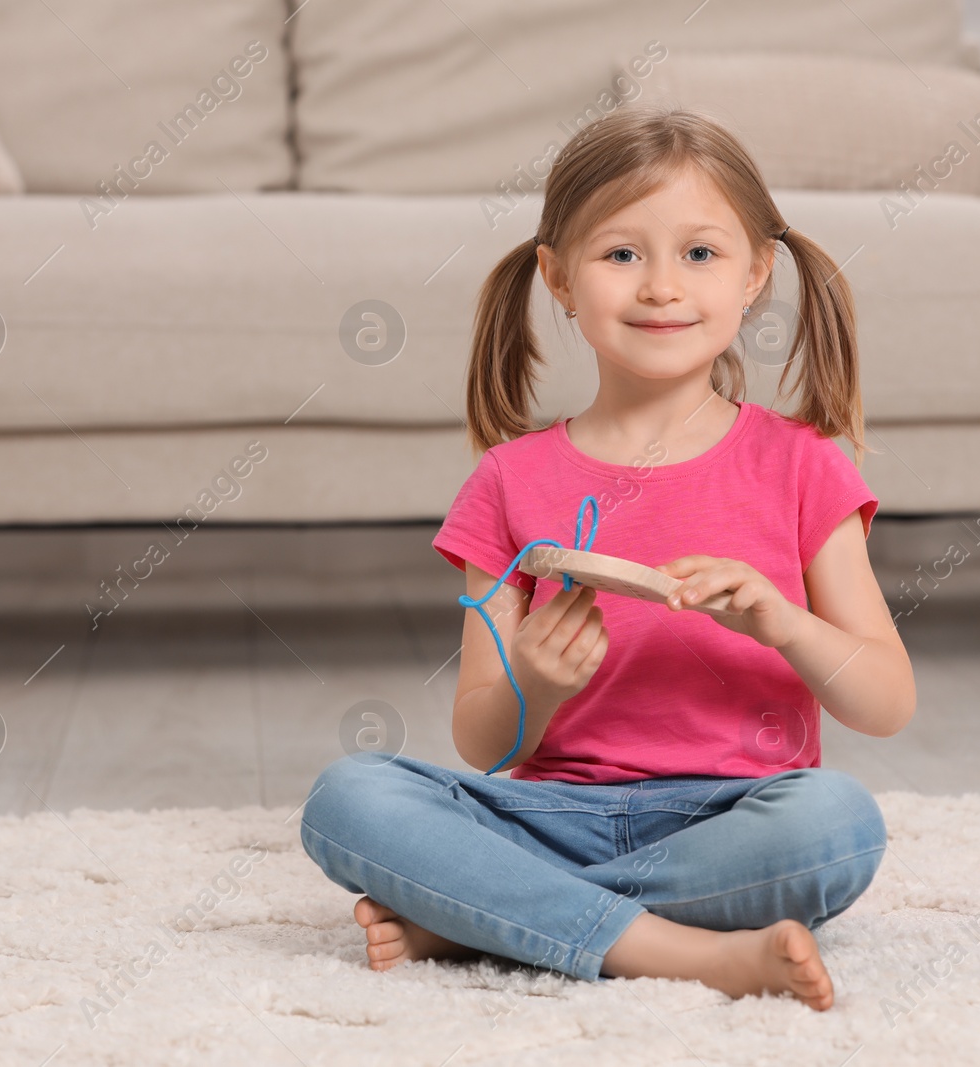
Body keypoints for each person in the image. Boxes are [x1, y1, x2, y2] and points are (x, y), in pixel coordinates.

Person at [300, 104, 915, 1012]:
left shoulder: (802, 464)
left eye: (700, 254)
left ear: (756, 275)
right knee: (346, 795)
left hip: (734, 817)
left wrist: (784, 624)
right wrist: (536, 685)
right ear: (557, 276)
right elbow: (484, 742)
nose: (662, 287)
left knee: (838, 826)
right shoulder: (508, 483)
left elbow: (887, 702)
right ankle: (685, 950)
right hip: (546, 820)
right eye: (621, 254)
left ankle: (488, 917)